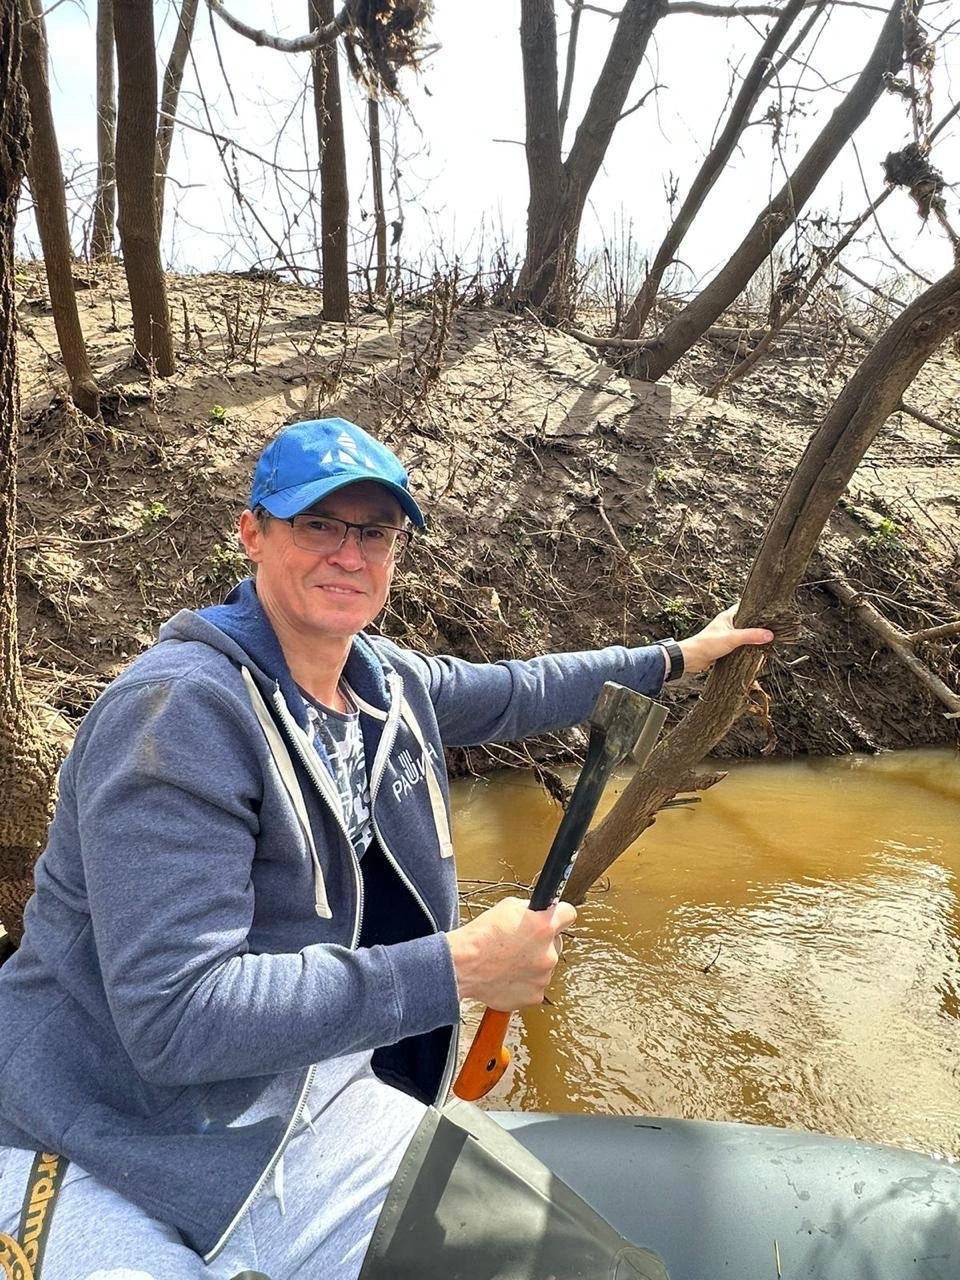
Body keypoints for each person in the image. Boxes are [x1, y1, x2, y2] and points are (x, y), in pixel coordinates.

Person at [0, 417, 774, 1280]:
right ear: (252, 533)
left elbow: (523, 689)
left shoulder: (384, 680)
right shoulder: (178, 716)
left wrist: (679, 655)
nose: (349, 554)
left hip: (288, 1100)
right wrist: (457, 970)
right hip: (80, 1127)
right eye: (317, 525)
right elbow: (179, 1015)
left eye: (374, 532)